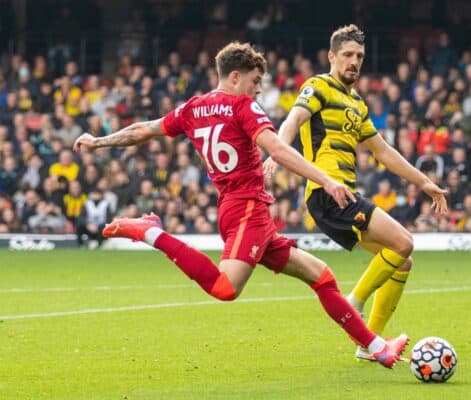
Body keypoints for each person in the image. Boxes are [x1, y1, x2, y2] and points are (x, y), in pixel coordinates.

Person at [73, 41, 408, 369]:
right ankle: (151, 234)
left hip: (237, 209)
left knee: (321, 276)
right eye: (255, 81)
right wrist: (327, 180)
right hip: (247, 209)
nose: (258, 90)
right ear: (235, 77)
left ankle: (377, 348)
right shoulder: (242, 107)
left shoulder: (192, 108)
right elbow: (276, 149)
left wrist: (99, 142)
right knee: (225, 288)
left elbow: (144, 129)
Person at [263, 25, 448, 361]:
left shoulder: (356, 103)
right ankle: (355, 303)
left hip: (342, 195)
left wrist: (424, 182)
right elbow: (294, 119)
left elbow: (383, 152)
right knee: (404, 241)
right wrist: (277, 150)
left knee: (401, 261)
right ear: (332, 56)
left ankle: (368, 344)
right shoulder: (318, 86)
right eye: (347, 55)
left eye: (359, 56)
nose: (354, 61)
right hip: (327, 191)